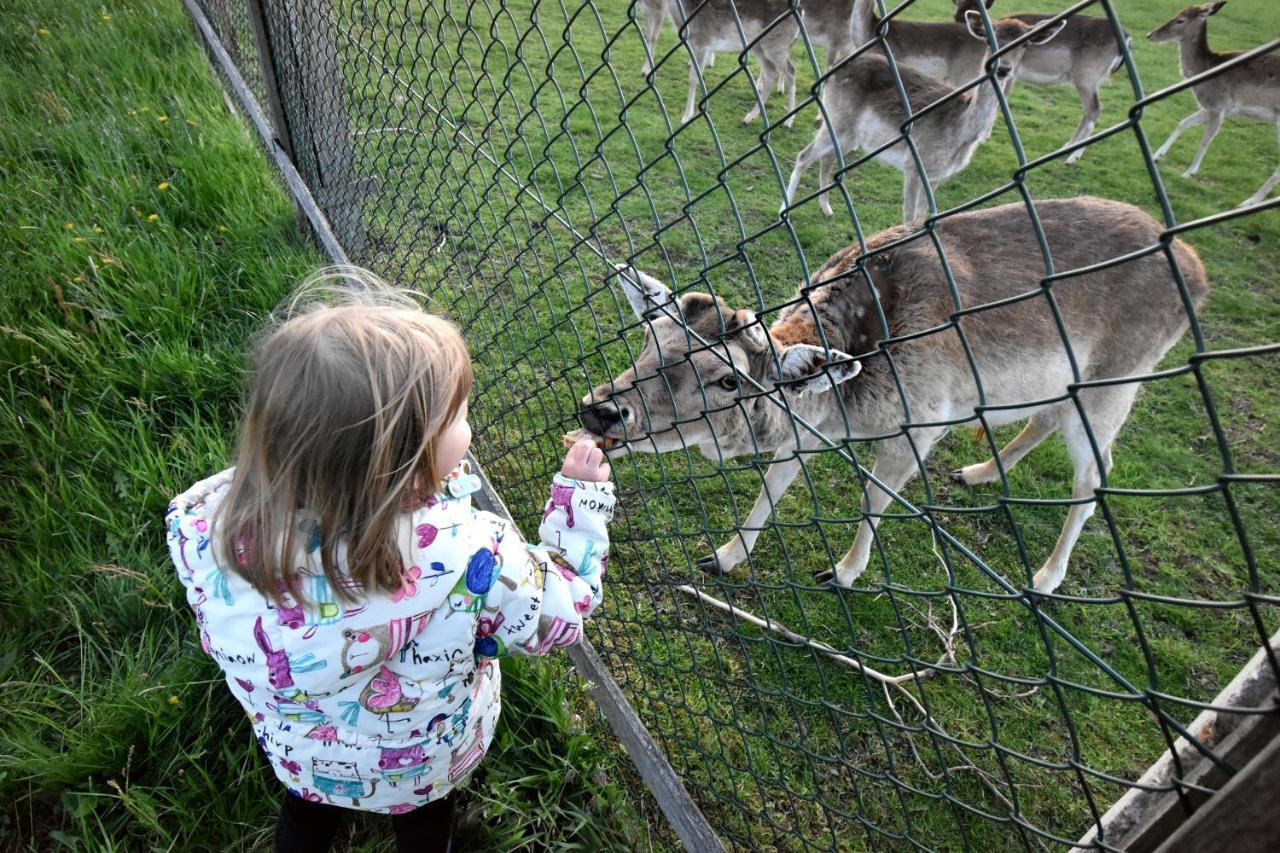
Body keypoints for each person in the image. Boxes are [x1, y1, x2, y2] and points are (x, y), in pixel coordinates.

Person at [164, 267, 614, 852]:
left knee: (306, 815)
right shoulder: (476, 554)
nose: (468, 423)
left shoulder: (215, 527)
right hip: (423, 761)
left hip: (303, 753)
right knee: (426, 825)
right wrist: (578, 505)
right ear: (400, 459)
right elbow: (565, 604)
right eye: (456, 415)